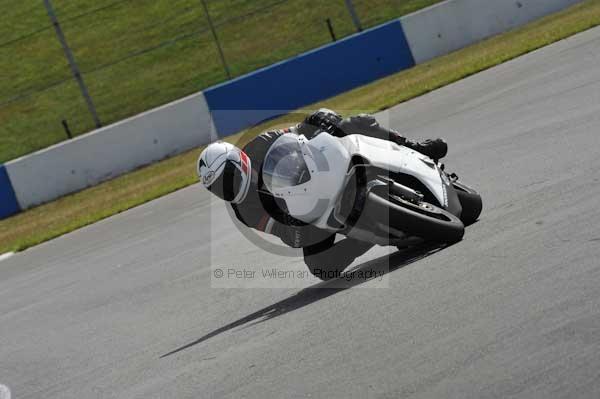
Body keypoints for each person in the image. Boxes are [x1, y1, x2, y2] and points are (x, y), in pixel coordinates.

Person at [197, 109, 447, 278]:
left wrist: (320, 120)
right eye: (218, 188)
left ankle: (415, 147)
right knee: (320, 267)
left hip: (321, 173)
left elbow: (299, 132)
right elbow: (282, 232)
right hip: (309, 212)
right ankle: (374, 234)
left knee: (355, 122)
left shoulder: (262, 143)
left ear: (239, 160)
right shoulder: (244, 211)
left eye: (227, 176)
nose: (227, 188)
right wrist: (295, 232)